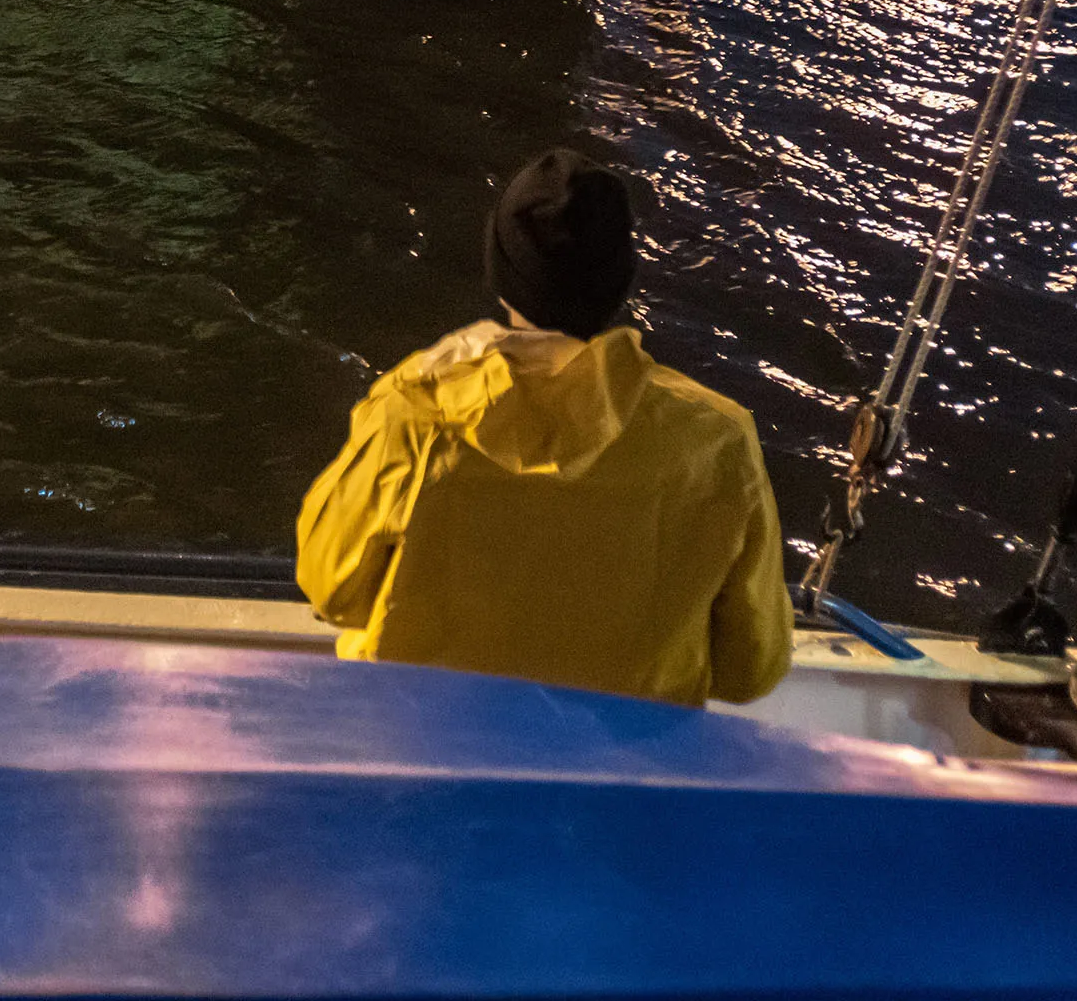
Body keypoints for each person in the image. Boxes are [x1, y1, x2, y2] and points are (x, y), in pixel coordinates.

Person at [294, 148, 792, 706]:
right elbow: (750, 671)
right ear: (619, 279)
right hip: (613, 778)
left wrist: (421, 379)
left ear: (504, 276)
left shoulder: (417, 411)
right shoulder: (717, 438)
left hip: (426, 754)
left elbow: (332, 591)